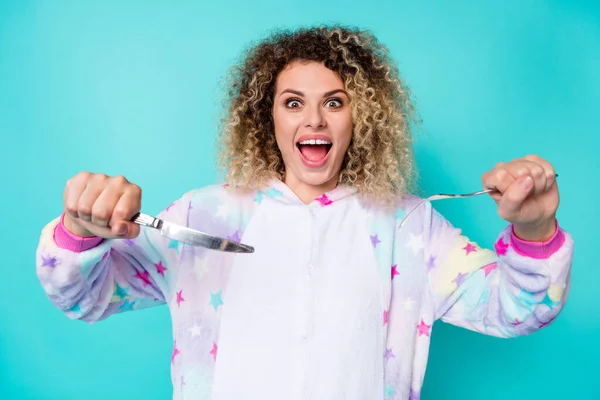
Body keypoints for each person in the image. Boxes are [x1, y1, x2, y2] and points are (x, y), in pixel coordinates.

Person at [35, 25, 573, 400]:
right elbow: (86, 298)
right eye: (293, 102)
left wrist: (533, 227)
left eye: (335, 102)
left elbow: (517, 308)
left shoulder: (409, 226)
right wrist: (80, 233)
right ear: (264, 117)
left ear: (359, 119)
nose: (313, 118)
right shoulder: (204, 214)